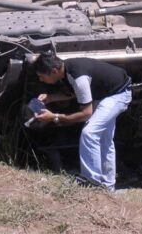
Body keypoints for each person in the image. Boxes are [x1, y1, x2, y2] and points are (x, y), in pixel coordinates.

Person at [33, 52, 132, 191]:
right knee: (104, 139)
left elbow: (86, 114)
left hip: (117, 95)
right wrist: (50, 98)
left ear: (53, 71)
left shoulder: (78, 77)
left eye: (41, 76)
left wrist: (54, 117)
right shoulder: (66, 70)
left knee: (89, 133)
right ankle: (108, 186)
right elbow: (75, 93)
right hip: (107, 94)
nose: (41, 80)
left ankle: (91, 181)